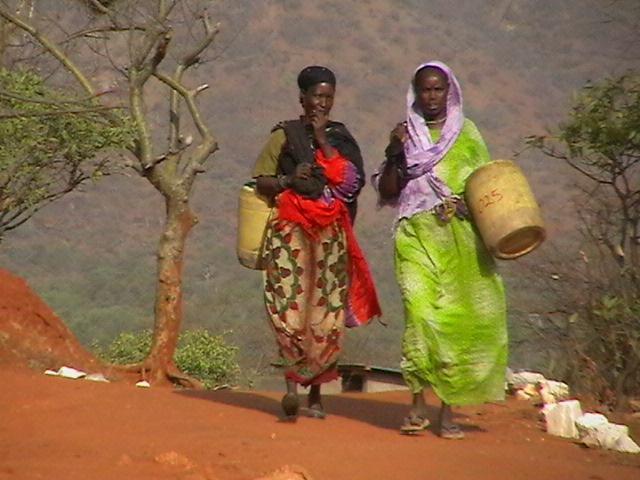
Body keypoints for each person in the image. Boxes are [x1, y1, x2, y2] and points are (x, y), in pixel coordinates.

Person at [372, 61, 508, 439]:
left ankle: (447, 411)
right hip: (414, 234)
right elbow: (387, 190)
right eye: (424, 90)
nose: (431, 97)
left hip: (460, 240)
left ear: (449, 92)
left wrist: (473, 207)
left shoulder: (468, 134)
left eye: (438, 90)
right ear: (415, 92)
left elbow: (489, 185)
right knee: (419, 316)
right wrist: (394, 151)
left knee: (454, 322)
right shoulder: (404, 135)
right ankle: (416, 407)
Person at [253, 65, 381, 420]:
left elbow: (352, 185)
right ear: (302, 98)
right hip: (289, 233)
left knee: (325, 315)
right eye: (316, 96)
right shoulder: (283, 135)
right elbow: (259, 181)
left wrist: (323, 140)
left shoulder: (340, 137)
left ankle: (317, 396)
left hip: (330, 237)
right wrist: (288, 181)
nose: (321, 103)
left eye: (328, 97)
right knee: (288, 309)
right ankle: (292, 389)